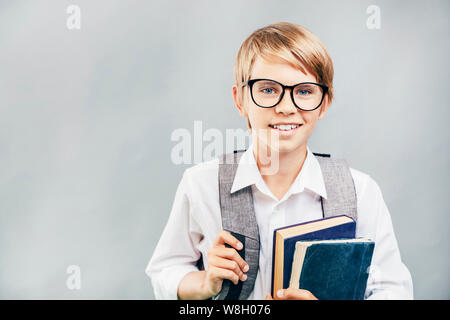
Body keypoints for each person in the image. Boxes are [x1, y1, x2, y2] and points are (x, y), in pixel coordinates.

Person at [145, 22, 413, 300]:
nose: (286, 107)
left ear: (325, 103)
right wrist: (204, 283)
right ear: (240, 100)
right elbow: (166, 269)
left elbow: (393, 290)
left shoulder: (361, 191)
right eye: (268, 90)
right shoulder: (201, 184)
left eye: (305, 91)